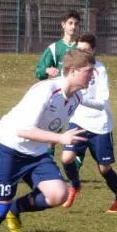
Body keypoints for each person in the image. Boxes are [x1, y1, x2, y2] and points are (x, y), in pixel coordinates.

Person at [0, 49, 100, 232]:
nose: (92, 75)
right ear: (73, 71)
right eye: (88, 71)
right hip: (7, 147)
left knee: (59, 195)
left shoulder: (76, 97)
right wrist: (61, 138)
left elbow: (51, 125)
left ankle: (16, 208)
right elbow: (23, 130)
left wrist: (52, 144)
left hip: (35, 152)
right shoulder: (46, 91)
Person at [59, 33, 117, 213]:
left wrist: (81, 98)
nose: (83, 53)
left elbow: (102, 103)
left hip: (99, 125)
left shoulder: (100, 70)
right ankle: (75, 185)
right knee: (66, 158)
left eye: (86, 50)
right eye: (79, 50)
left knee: (104, 168)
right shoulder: (72, 68)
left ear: (94, 50)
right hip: (78, 122)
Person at [35, 10, 81, 159]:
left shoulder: (81, 48)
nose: (73, 27)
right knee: (52, 135)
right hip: (59, 96)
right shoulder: (54, 48)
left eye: (76, 24)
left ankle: (75, 165)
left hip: (78, 96)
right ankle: (48, 164)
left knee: (79, 132)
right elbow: (39, 71)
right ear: (63, 25)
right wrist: (47, 69)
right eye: (70, 23)